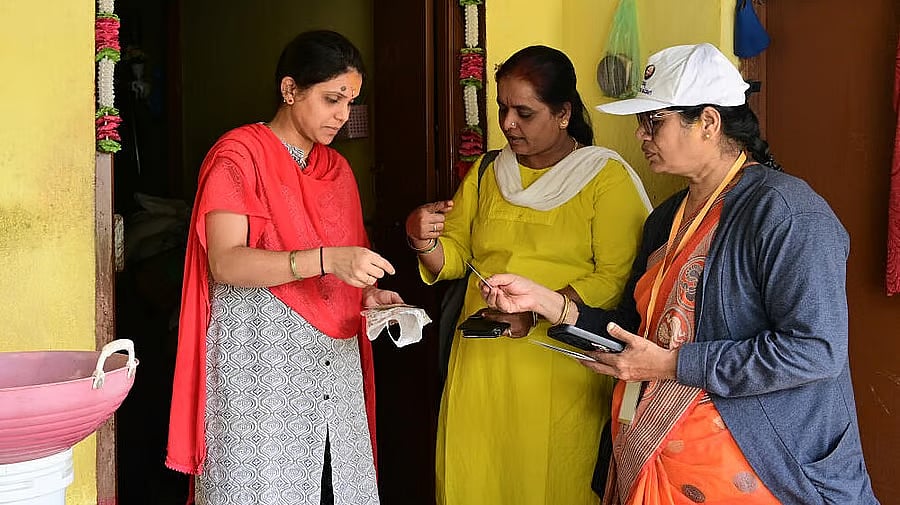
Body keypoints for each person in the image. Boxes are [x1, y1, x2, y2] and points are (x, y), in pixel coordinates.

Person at [479, 43, 880, 505]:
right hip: (656, 454)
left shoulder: (787, 213)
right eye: (641, 122)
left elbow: (814, 352)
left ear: (708, 123)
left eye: (655, 121)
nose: (641, 134)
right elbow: (633, 330)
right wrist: (545, 302)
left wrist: (672, 365)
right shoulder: (666, 218)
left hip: (759, 469)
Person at [405, 45, 651, 504]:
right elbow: (456, 257)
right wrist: (423, 239)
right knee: (477, 472)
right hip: (483, 358)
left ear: (563, 114)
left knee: (553, 475)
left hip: (559, 359)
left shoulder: (604, 178)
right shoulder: (487, 172)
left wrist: (536, 307)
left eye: (524, 112)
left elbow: (617, 277)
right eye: (502, 108)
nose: (508, 124)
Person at [166, 30, 403, 505]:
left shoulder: (336, 171)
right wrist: (325, 260)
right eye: (332, 98)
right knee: (256, 487)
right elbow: (226, 261)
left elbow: (344, 273)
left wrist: (367, 296)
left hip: (333, 369)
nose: (342, 114)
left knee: (334, 487)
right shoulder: (239, 157)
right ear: (290, 90)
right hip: (259, 366)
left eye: (350, 102)